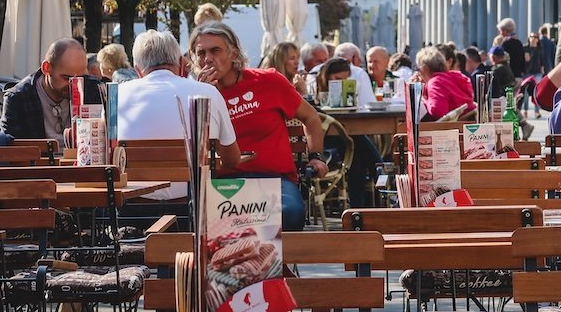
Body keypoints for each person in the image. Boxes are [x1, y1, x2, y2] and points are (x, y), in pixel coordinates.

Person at [190, 22, 327, 231]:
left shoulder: (268, 81)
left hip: (275, 180)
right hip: (225, 182)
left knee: (288, 213)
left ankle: (274, 263)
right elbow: (196, 146)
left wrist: (316, 157)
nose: (207, 58)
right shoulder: (196, 94)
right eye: (201, 53)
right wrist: (204, 98)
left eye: (215, 50)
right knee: (207, 219)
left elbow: (311, 118)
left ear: (233, 53)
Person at [118, 30, 241, 200]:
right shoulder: (208, 92)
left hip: (132, 205)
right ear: (181, 64)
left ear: (138, 70)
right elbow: (232, 160)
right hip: (194, 206)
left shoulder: (116, 96)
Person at [0, 38, 103, 144]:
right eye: (66, 78)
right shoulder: (18, 98)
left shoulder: (93, 89)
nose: (74, 85)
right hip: (38, 160)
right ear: (46, 68)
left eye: (80, 78)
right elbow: (11, 150)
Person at [315, 58, 383, 207]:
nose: (341, 83)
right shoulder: (315, 90)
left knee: (356, 153)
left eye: (345, 79)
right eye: (337, 79)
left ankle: (361, 205)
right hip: (324, 143)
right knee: (357, 147)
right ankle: (381, 182)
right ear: (327, 76)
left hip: (344, 138)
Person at [413, 47, 476, 121]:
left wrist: (423, 99)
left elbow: (437, 111)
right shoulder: (457, 77)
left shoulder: (434, 82)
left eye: (418, 69)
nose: (418, 73)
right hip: (467, 124)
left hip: (451, 127)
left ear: (426, 69)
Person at [333, 43, 377, 109]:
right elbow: (370, 105)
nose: (360, 63)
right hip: (352, 117)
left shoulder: (319, 70)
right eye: (359, 59)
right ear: (354, 57)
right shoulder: (359, 73)